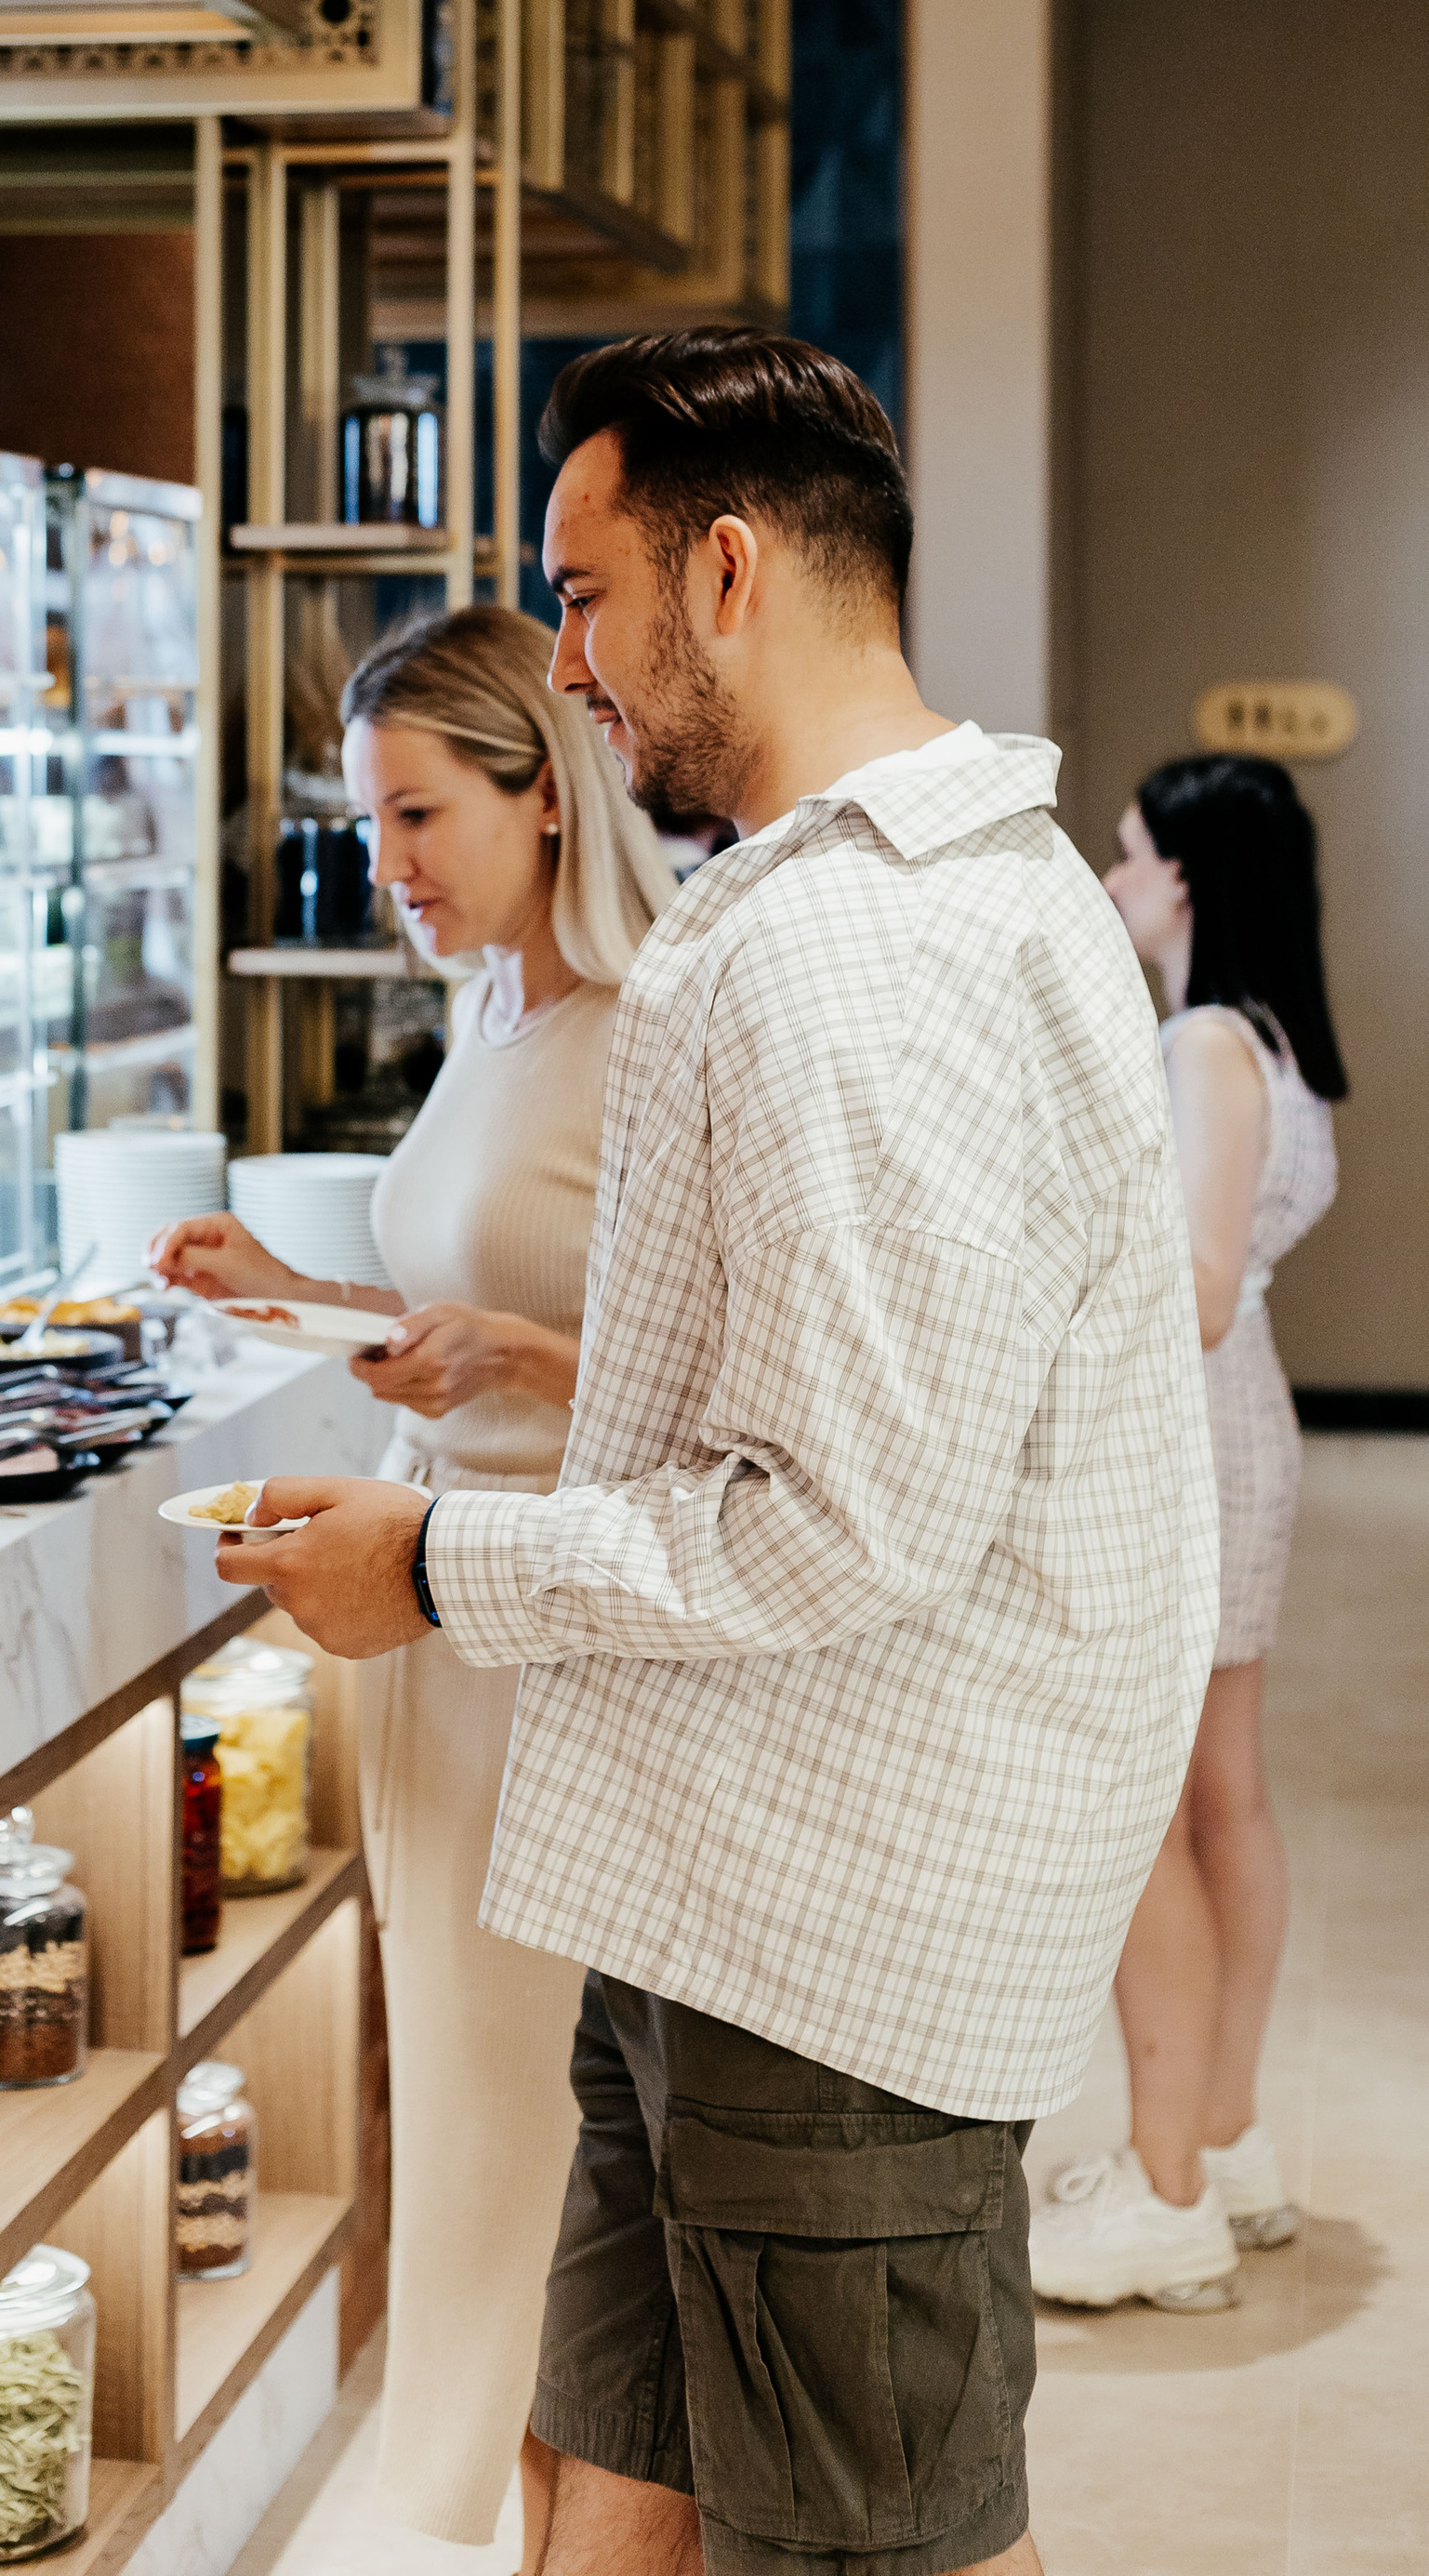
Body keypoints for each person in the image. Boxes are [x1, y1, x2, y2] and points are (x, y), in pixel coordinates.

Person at [212, 328, 1218, 2576]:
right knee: (605, 2488)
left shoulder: (856, 952)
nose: (568, 668)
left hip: (838, 1923)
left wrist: (443, 1572)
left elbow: (841, 1519)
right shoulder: (945, 877)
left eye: (582, 598)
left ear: (730, 569)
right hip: (706, 1865)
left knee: (870, 2542)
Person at [152, 609, 679, 2558]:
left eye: (416, 815)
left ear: (547, 792)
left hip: (553, 1637)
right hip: (435, 1630)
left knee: (538, 2134)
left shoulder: (656, 1028)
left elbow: (707, 1378)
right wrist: (293, 1299)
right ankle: (516, 2510)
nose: (388, 868)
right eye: (367, 826)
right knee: (460, 2115)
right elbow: (493, 1313)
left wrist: (510, 1368)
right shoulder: (495, 1017)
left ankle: (563, 2512)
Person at [1029, 755, 1344, 2313]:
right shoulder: (1270, 1043)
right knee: (1225, 1795)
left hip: (1193, 1433)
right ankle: (1219, 2139)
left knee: (1154, 1806)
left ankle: (1167, 2187)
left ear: (1190, 882)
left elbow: (1199, 1288)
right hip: (1245, 1421)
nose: (1108, 872)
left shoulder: (1204, 1043)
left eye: (1131, 851)